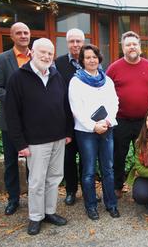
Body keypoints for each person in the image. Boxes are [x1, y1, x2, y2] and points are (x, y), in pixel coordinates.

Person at [5, 38, 72, 235]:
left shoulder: (56, 75)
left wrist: (68, 132)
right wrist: (20, 144)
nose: (46, 56)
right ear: (32, 53)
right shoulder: (18, 78)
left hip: (58, 139)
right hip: (35, 142)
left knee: (54, 178)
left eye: (50, 53)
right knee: (36, 181)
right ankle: (35, 217)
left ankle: (49, 212)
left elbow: (65, 106)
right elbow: (12, 114)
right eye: (42, 52)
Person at [69, 44, 120, 220]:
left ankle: (111, 204)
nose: (91, 60)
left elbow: (114, 103)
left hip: (107, 129)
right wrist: (93, 126)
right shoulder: (76, 81)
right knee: (89, 171)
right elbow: (76, 109)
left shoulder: (107, 80)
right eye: (87, 57)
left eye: (94, 57)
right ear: (82, 61)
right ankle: (91, 206)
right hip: (86, 132)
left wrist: (107, 121)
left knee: (108, 169)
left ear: (99, 59)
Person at [0, 22, 31, 215]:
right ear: (12, 37)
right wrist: (16, 101)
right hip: (10, 121)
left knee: (34, 162)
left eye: (26, 32)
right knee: (11, 162)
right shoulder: (1, 59)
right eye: (19, 33)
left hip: (34, 122)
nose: (23, 36)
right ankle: (13, 199)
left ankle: (35, 197)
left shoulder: (38, 57)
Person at [106, 31, 148, 198]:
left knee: (145, 154)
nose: (132, 47)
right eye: (128, 44)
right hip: (121, 120)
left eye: (134, 44)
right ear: (123, 47)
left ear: (139, 46)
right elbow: (105, 92)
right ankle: (117, 186)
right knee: (118, 155)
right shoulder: (114, 68)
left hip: (143, 120)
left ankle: (146, 187)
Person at [55, 28, 85, 206]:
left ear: (83, 42)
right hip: (65, 120)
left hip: (86, 121)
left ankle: (86, 189)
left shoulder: (90, 61)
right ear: (67, 43)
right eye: (72, 41)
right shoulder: (57, 64)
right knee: (68, 158)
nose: (75, 45)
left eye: (78, 41)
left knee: (86, 158)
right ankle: (71, 191)